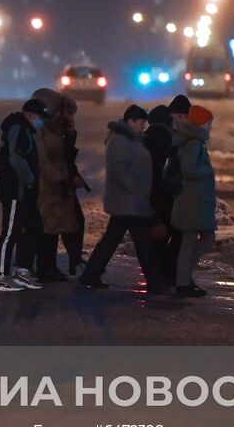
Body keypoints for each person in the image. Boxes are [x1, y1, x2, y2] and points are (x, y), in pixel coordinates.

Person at [81, 105, 172, 292]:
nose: (143, 126)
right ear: (130, 121)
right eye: (141, 123)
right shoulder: (121, 141)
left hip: (130, 201)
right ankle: (155, 282)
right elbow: (118, 170)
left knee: (118, 240)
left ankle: (91, 274)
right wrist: (136, 187)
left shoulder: (130, 139)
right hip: (127, 201)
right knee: (138, 243)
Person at [0, 98, 49, 292]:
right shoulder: (18, 128)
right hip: (15, 190)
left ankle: (23, 270)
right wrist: (30, 179)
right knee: (11, 232)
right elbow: (16, 158)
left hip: (25, 192)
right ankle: (2, 276)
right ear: (31, 115)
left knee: (34, 227)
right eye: (40, 117)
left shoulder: (25, 130)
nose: (41, 121)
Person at [170, 104, 216, 298]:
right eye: (208, 123)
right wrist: (209, 172)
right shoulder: (193, 143)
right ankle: (183, 281)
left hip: (196, 199)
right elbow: (188, 169)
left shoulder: (193, 141)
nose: (210, 127)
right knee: (194, 241)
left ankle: (185, 278)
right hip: (193, 200)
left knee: (200, 240)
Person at [32, 88, 76, 282]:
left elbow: (67, 153)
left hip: (58, 185)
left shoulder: (55, 128)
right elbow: (42, 160)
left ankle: (50, 266)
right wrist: (59, 178)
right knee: (46, 229)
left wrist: (70, 132)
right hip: (46, 185)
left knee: (54, 228)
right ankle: (43, 267)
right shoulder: (39, 129)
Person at [143, 104, 180, 285]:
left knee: (158, 235)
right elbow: (161, 167)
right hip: (161, 193)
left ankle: (162, 274)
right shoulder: (162, 135)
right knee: (165, 233)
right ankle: (166, 274)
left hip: (154, 192)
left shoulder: (150, 135)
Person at [60, 96, 90, 275]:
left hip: (66, 184)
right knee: (72, 222)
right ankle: (74, 261)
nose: (72, 118)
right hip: (60, 185)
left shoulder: (65, 131)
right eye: (69, 113)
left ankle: (75, 260)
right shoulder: (56, 131)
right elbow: (63, 159)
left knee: (75, 221)